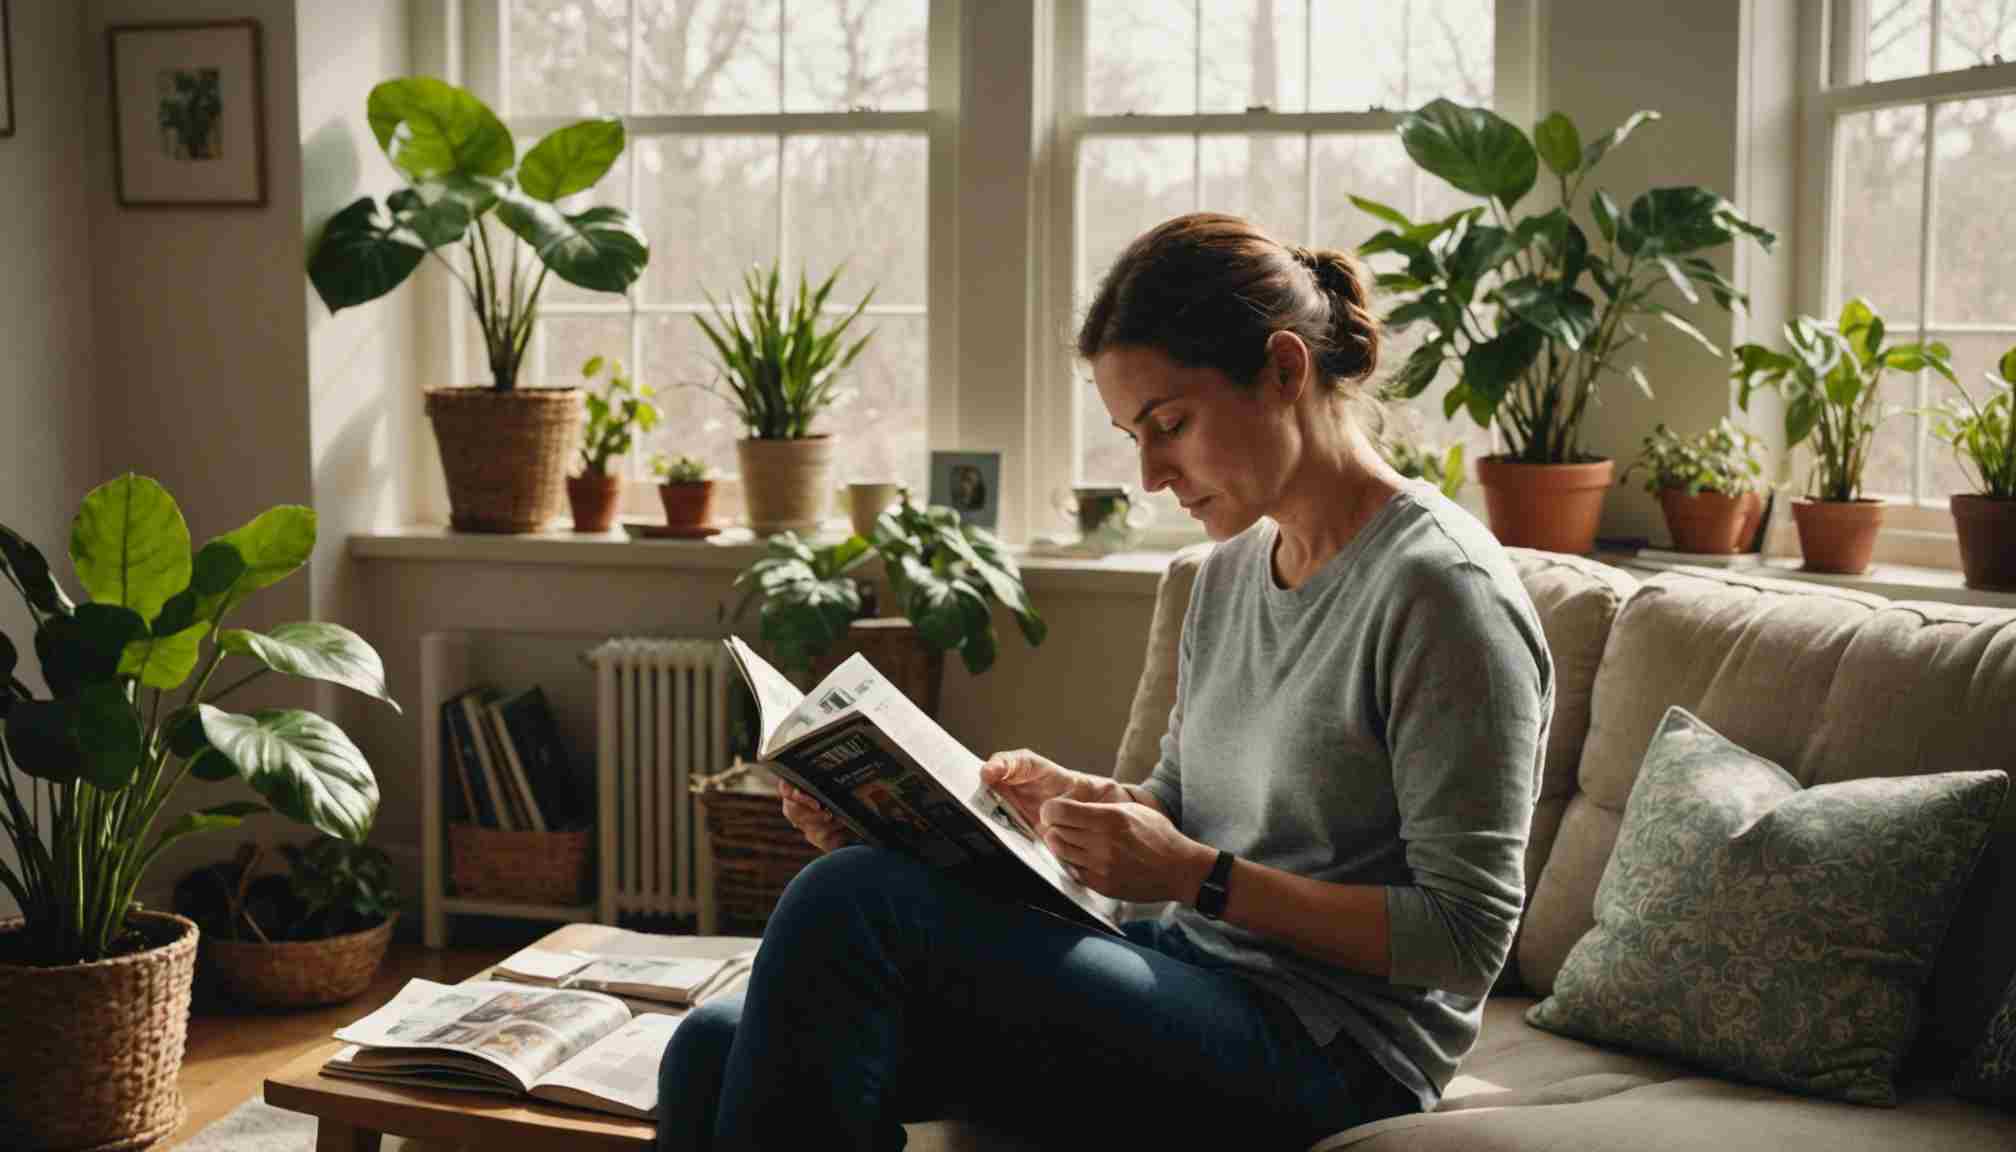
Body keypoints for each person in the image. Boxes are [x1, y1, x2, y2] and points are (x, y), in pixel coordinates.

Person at [657, 212, 1554, 1152]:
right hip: (1182, 971)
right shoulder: (1233, 570)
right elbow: (1181, 806)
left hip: (1335, 1051)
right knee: (711, 1044)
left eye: (1170, 425)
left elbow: (1462, 937)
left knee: (849, 903)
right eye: (1133, 435)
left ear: (1285, 370)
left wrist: (1194, 878)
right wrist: (1066, 806)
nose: (1151, 473)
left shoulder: (1442, 594)